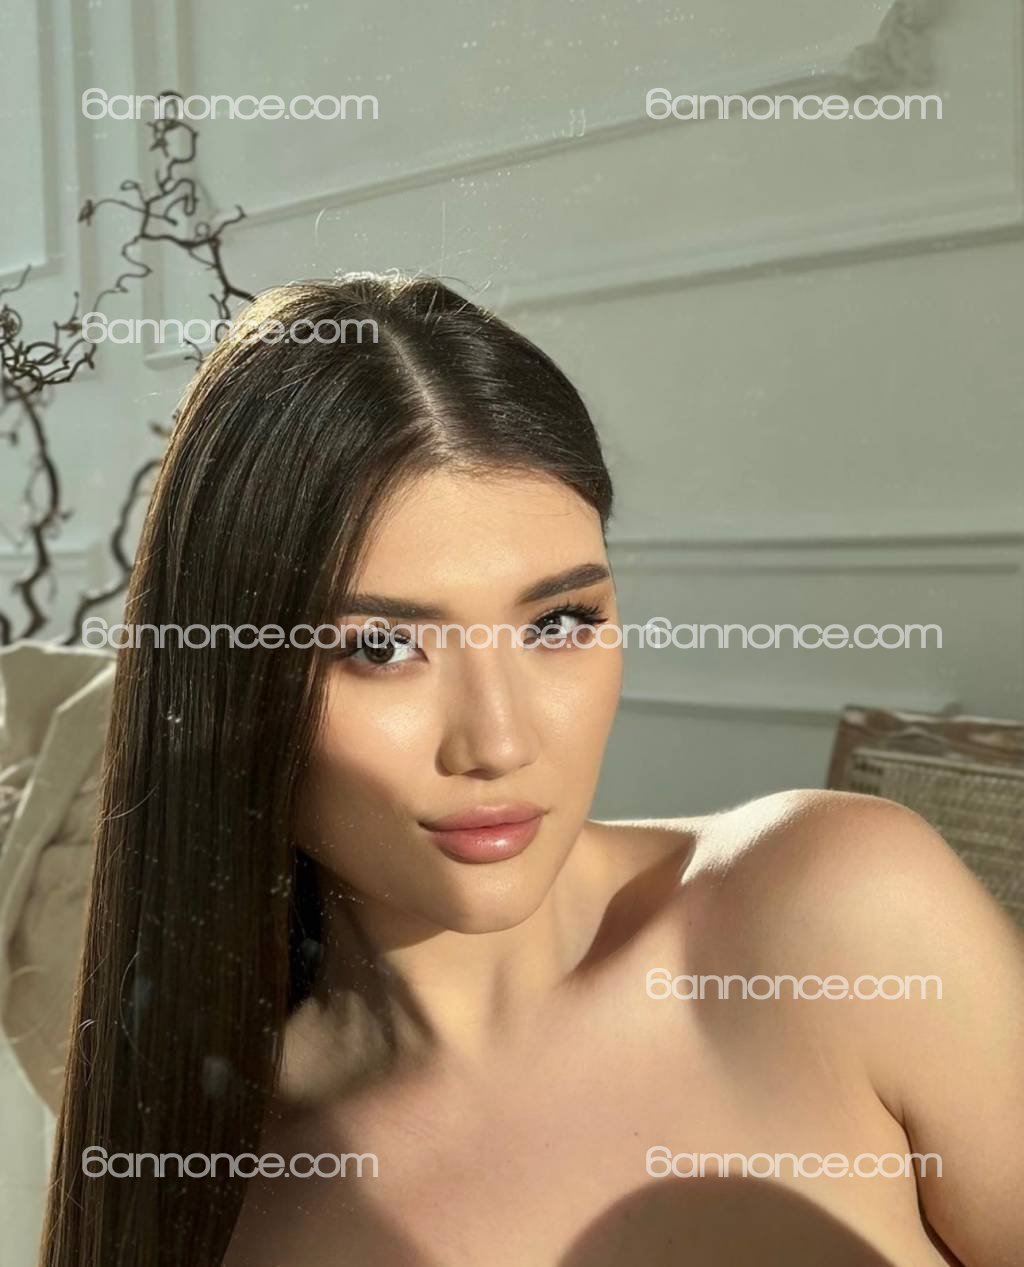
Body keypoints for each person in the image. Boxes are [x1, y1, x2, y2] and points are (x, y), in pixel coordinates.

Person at [40, 274, 1024, 1267]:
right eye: (380, 647)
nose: (499, 742)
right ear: (226, 679)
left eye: (558, 622)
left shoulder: (841, 919)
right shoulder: (224, 1198)